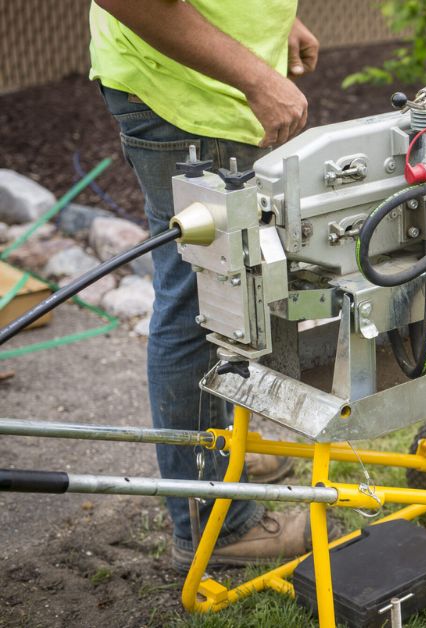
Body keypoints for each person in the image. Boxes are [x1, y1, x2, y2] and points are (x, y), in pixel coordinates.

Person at [89, 0, 318, 570]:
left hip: (199, 89)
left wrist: (271, 23)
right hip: (184, 99)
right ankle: (216, 524)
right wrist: (254, 75)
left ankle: (216, 461)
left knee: (221, 294)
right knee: (199, 303)